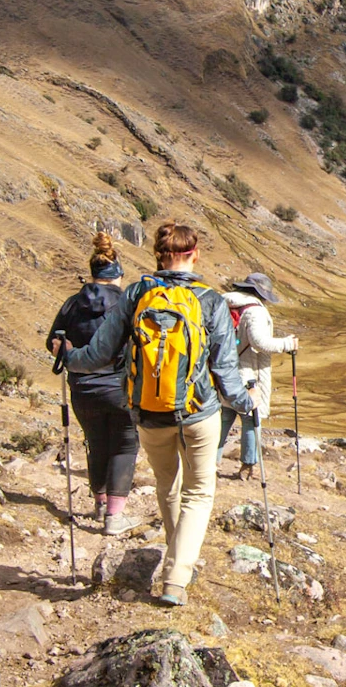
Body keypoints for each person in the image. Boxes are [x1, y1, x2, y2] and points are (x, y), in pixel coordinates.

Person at [61, 221, 255, 607]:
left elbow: (98, 354)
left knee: (169, 486)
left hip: (149, 413)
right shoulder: (211, 300)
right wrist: (247, 403)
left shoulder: (135, 294)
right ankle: (176, 578)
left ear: (157, 255)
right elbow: (225, 369)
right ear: (194, 254)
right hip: (200, 413)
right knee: (199, 493)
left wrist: (68, 358)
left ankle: (175, 561)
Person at [47, 233, 141, 536]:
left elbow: (54, 343)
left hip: (82, 388)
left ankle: (99, 502)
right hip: (120, 386)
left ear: (92, 273)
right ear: (119, 274)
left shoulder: (72, 304)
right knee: (125, 444)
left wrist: (72, 353)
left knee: (96, 441)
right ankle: (114, 516)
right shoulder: (128, 304)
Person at [218, 272, 296, 481]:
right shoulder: (255, 311)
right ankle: (248, 465)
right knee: (251, 419)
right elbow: (260, 343)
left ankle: (209, 462)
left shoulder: (226, 305)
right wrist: (286, 344)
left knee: (224, 418)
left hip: (224, 371)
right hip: (248, 374)